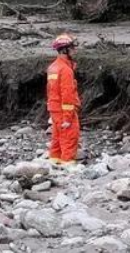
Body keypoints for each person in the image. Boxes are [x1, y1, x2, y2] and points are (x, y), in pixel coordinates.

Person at [46, 34, 81, 166]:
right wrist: (67, 117)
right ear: (65, 50)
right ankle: (67, 165)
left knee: (57, 137)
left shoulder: (53, 67)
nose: (74, 50)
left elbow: (50, 91)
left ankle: (54, 161)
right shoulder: (65, 70)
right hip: (63, 109)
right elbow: (67, 94)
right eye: (72, 47)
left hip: (54, 108)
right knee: (69, 136)